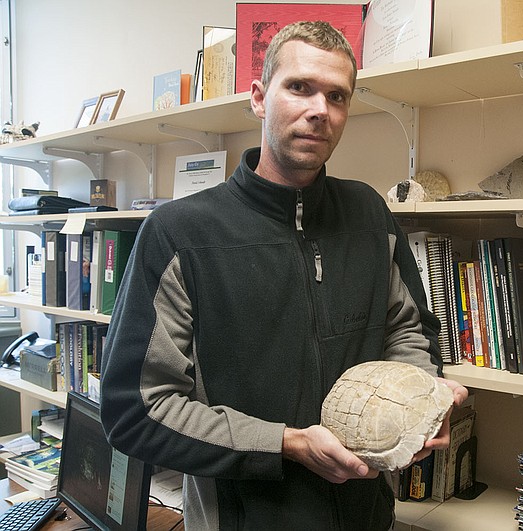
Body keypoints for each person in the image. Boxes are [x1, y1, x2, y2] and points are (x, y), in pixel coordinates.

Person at [100, 20, 468, 530]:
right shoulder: (178, 234)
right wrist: (287, 445)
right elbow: (136, 412)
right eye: (299, 87)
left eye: (337, 96)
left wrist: (423, 395)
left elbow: (409, 329)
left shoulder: (369, 214)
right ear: (258, 97)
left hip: (368, 516)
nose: (319, 110)